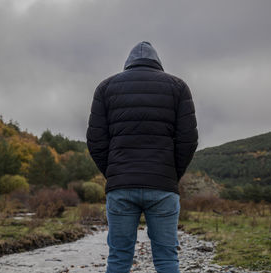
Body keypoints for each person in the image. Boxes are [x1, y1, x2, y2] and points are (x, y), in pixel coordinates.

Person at [86, 41, 198, 273]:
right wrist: (171, 174)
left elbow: (96, 141)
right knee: (167, 258)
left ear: (128, 63)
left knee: (118, 258)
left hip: (121, 187)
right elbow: (188, 140)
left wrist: (115, 173)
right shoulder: (178, 87)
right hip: (163, 185)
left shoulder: (105, 88)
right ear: (157, 62)